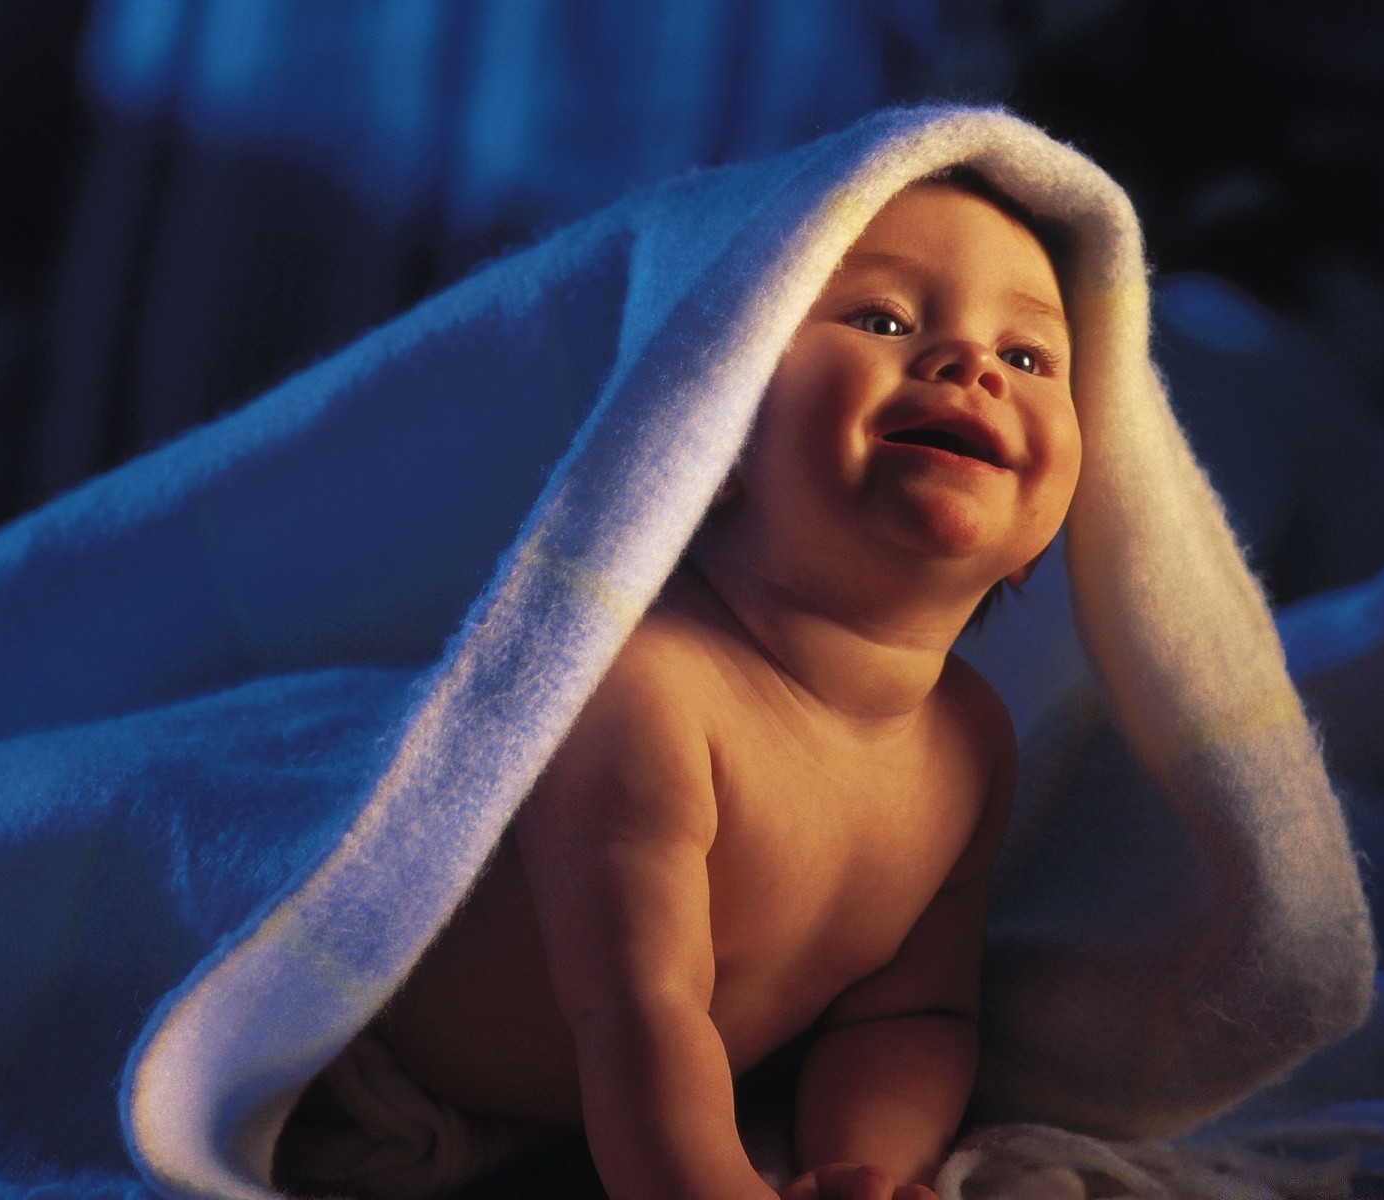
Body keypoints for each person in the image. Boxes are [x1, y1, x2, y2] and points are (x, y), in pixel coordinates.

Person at [275, 168, 1079, 1200]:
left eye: (1028, 354)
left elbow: (909, 1018)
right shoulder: (651, 686)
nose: (971, 365)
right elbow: (640, 1007)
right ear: (718, 422)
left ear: (1038, 538)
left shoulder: (971, 748)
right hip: (375, 1063)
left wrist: (864, 1170)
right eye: (880, 317)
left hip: (589, 1111)